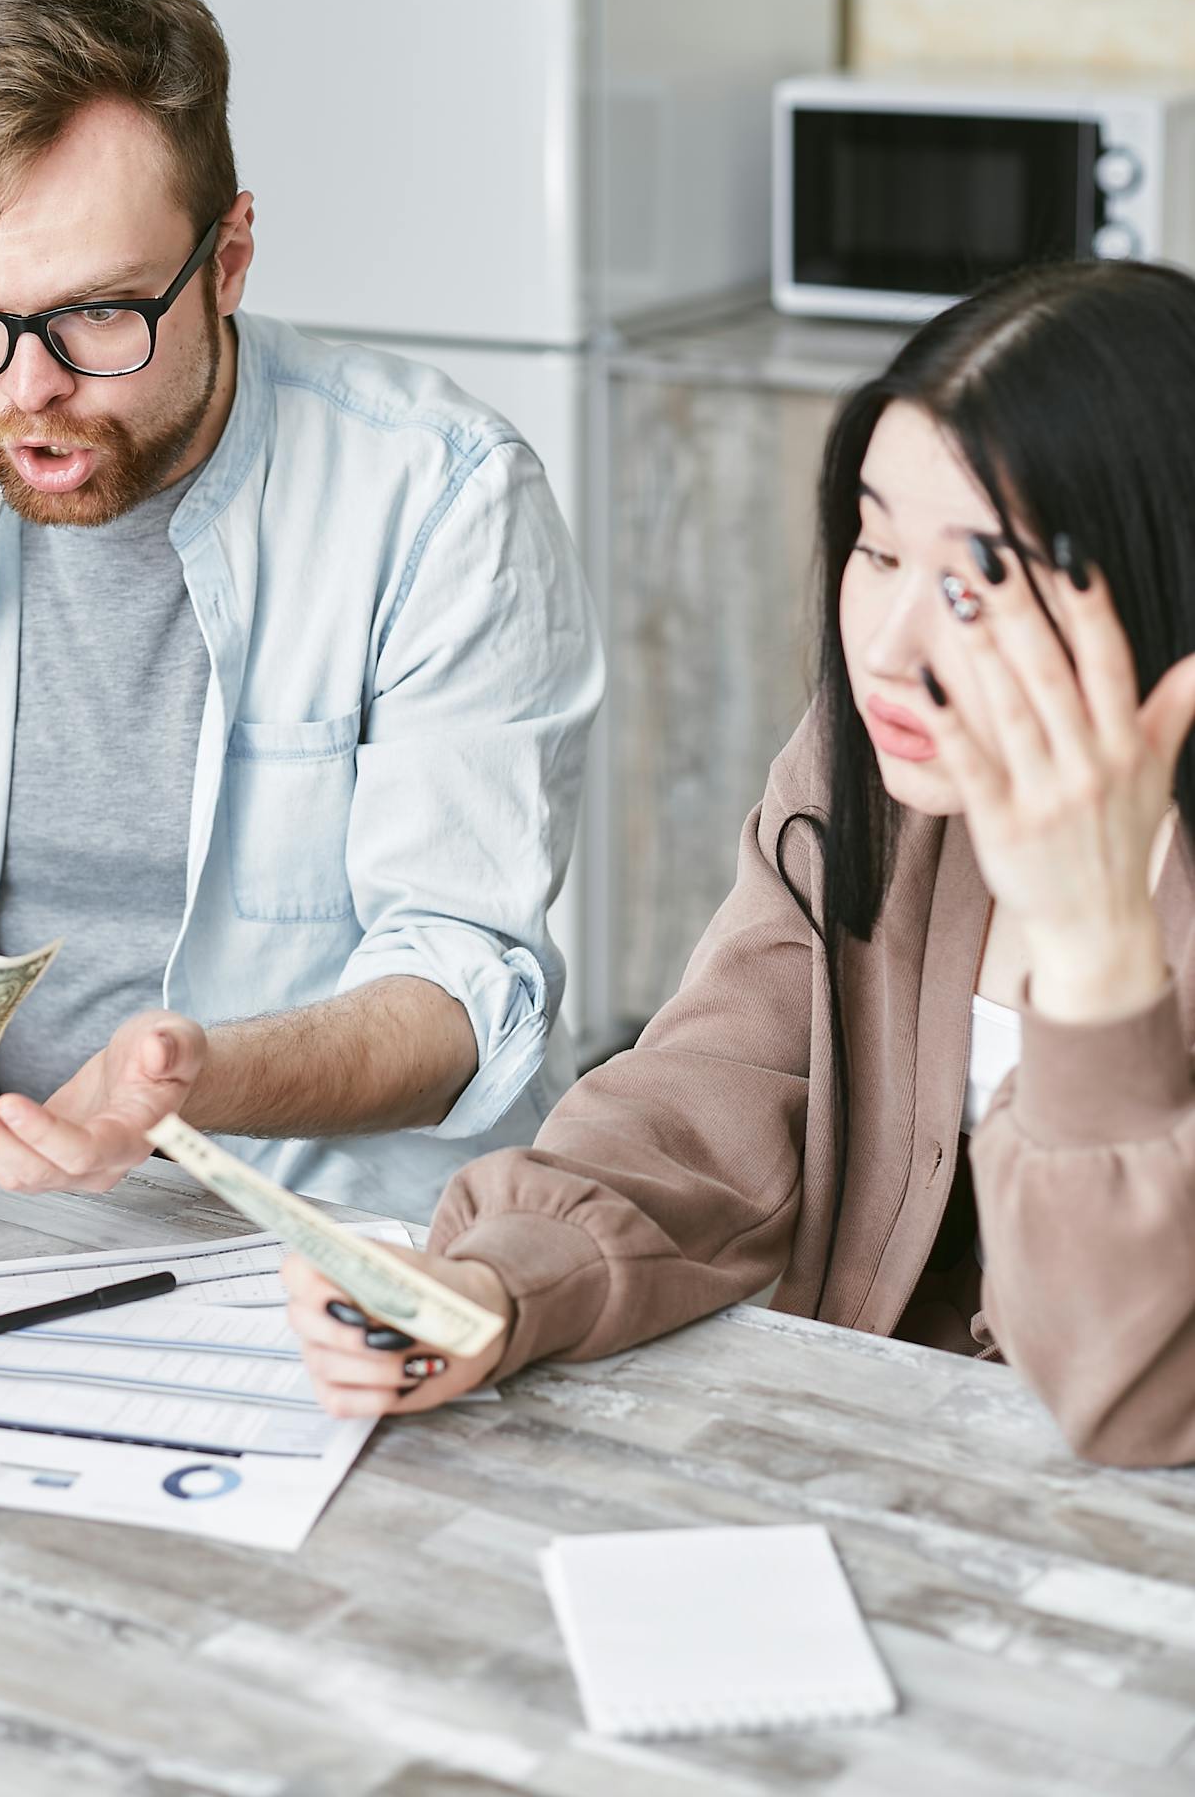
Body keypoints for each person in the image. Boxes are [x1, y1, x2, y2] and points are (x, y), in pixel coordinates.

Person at [0, 0, 601, 1221]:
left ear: (228, 259)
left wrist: (184, 1083)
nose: (25, 390)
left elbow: (462, 984)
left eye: (95, 314)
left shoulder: (442, 493)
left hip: (329, 1231)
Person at [284, 259, 1195, 1468]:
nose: (888, 644)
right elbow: (715, 1077)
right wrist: (495, 1279)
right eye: (874, 550)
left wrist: (1090, 961)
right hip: (864, 1468)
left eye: (974, 577)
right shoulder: (873, 762)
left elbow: (1132, 1392)